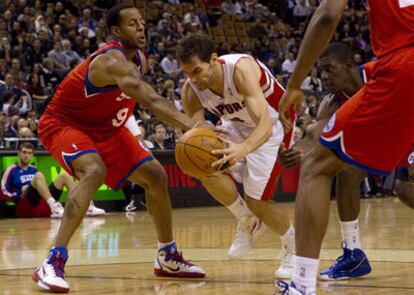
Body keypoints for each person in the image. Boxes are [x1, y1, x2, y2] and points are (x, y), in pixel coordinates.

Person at [32, 4, 204, 294]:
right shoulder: (111, 60)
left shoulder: (139, 59)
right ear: (115, 31)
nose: (141, 29)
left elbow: (125, 104)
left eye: (142, 23)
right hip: (63, 123)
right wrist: (194, 128)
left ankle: (167, 257)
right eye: (133, 24)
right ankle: (52, 261)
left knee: (156, 176)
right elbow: (150, 99)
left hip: (105, 128)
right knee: (94, 170)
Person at [277, 1, 414, 294]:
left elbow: (327, 15)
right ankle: (352, 253)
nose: (324, 77)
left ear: (349, 65)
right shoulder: (333, 99)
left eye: (329, 70)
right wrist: (299, 148)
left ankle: (301, 285)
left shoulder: (376, 73)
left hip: (404, 68)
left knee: (318, 168)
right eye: (321, 72)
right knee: (362, 176)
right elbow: (317, 132)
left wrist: (294, 84)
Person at [177, 34, 296, 279]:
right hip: (236, 124)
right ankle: (247, 220)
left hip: (273, 123)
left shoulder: (240, 70)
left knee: (258, 202)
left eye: (197, 71)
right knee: (205, 165)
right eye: (187, 73)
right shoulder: (190, 90)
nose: (193, 79)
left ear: (213, 59)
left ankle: (295, 248)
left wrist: (243, 149)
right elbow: (197, 130)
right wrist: (203, 135)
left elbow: (263, 123)